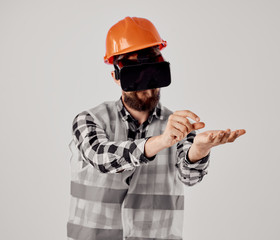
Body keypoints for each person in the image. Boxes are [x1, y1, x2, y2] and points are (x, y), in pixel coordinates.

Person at [67, 16, 246, 240]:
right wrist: (162, 141)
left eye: (152, 73)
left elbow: (189, 177)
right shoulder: (89, 120)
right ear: (116, 76)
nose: (148, 88)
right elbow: (100, 156)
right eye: (135, 75)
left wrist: (198, 152)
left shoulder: (179, 125)